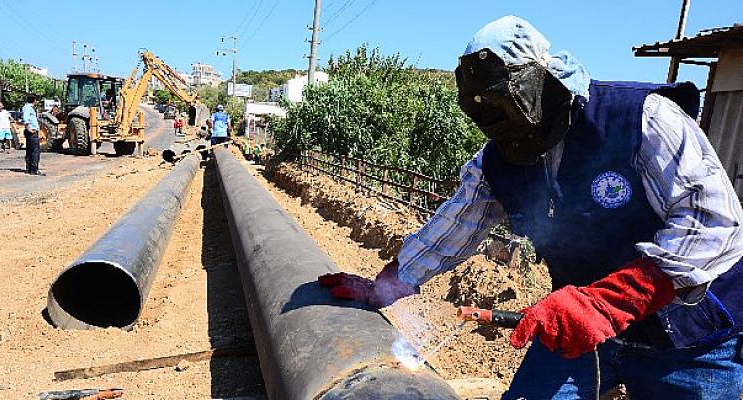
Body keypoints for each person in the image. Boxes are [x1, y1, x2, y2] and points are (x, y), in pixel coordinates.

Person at [318, 16, 743, 399]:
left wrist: (610, 301)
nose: (502, 128)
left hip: (690, 341)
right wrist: (389, 283)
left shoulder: (642, 118)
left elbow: (713, 221)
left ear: (543, 82)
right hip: (582, 333)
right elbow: (455, 226)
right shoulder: (498, 161)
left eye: (507, 108)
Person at [21, 95, 44, 176]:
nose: (37, 102)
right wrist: (29, 129)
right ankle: (34, 169)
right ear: (34, 100)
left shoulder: (28, 107)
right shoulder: (28, 108)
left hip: (32, 131)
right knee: (35, 151)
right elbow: (25, 118)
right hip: (31, 131)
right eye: (37, 100)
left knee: (30, 150)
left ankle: (29, 169)